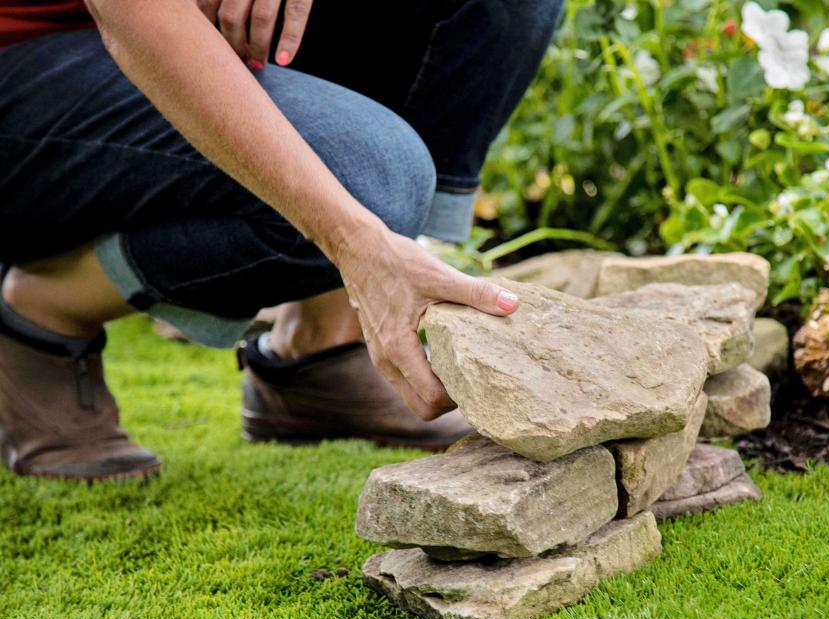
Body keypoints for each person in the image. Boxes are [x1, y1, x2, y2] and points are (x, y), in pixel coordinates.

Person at [0, 0, 563, 479]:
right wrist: (356, 239)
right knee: (368, 181)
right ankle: (47, 307)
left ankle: (322, 349)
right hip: (29, 62)